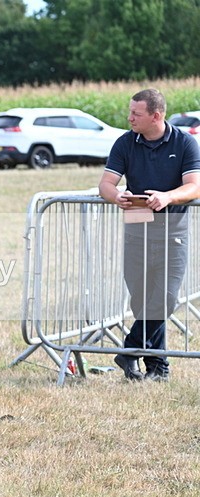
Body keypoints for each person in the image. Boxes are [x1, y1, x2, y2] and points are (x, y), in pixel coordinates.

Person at [99, 88, 200, 381]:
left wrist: (168, 197)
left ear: (156, 116)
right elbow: (105, 183)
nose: (129, 117)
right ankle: (158, 368)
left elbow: (194, 186)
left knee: (165, 299)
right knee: (143, 303)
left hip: (173, 234)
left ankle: (129, 351)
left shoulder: (185, 143)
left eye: (136, 114)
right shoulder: (125, 142)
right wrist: (116, 196)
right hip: (136, 231)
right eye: (130, 112)